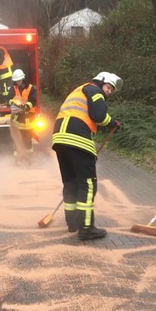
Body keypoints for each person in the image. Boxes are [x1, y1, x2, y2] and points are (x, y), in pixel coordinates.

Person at [51, 71, 123, 241]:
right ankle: (86, 227)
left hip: (59, 138)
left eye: (111, 90)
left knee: (70, 182)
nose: (109, 92)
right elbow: (98, 116)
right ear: (101, 82)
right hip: (77, 138)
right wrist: (113, 122)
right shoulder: (95, 91)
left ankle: (73, 223)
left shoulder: (79, 91)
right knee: (88, 183)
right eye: (108, 87)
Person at [9, 68, 37, 163]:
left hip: (29, 117)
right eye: (16, 81)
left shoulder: (31, 88)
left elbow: (33, 101)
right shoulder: (13, 88)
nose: (18, 82)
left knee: (28, 140)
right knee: (18, 139)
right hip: (18, 117)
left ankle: (29, 159)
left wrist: (25, 107)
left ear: (23, 79)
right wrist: (14, 104)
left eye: (19, 80)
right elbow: (9, 99)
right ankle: (17, 160)